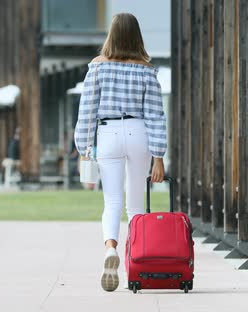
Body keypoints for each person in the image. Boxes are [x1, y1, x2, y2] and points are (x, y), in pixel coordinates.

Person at [74, 13, 166, 292]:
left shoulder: (97, 68)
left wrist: (84, 148)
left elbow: (87, 111)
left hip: (108, 133)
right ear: (137, 36)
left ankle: (111, 249)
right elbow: (156, 115)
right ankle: (135, 264)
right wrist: (159, 156)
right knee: (135, 205)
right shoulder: (147, 70)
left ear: (111, 35)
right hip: (139, 133)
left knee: (112, 201)